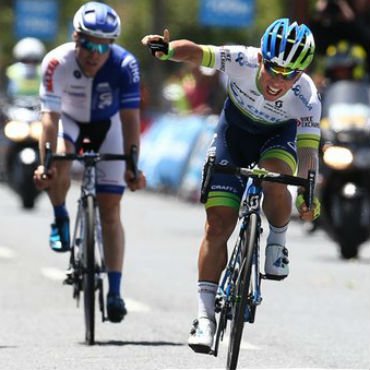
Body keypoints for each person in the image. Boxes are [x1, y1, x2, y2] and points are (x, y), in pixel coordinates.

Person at [142, 18, 321, 353]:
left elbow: (309, 153)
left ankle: (277, 242)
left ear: (300, 74)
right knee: (218, 225)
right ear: (261, 59)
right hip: (233, 136)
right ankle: (205, 318)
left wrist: (310, 195)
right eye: (273, 69)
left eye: (289, 74)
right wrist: (167, 51)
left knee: (274, 175)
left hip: (275, 139)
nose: (278, 81)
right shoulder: (241, 59)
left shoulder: (308, 96)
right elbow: (196, 53)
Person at [33, 1, 145, 323]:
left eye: (104, 45)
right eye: (88, 43)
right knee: (60, 162)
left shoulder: (126, 65)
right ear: (75, 38)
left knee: (111, 209)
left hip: (108, 126)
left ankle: (114, 291)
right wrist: (45, 164)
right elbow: (49, 120)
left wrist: (133, 167)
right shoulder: (56, 61)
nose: (95, 53)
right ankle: (59, 216)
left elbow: (130, 122)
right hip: (68, 122)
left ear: (113, 44)